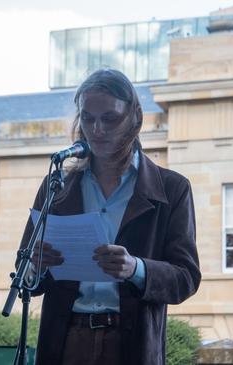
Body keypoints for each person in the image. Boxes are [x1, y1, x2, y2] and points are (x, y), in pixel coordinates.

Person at [19, 68, 201, 365]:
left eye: (110, 118)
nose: (97, 129)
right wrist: (35, 267)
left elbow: (186, 278)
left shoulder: (172, 189)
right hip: (64, 342)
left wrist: (135, 268)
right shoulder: (57, 186)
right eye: (88, 118)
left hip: (130, 345)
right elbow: (25, 275)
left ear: (135, 117)